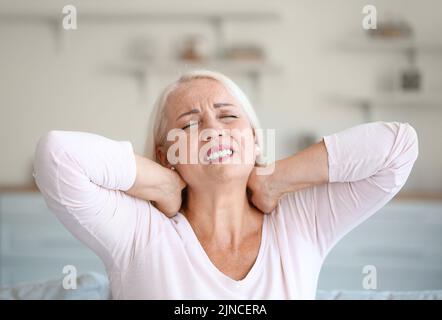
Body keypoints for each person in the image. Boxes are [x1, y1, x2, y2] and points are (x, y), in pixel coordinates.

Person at [33, 70, 419, 299]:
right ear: (166, 154)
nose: (213, 129)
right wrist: (165, 186)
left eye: (228, 115)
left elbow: (399, 147)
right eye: (188, 124)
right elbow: (58, 156)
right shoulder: (140, 233)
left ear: (253, 138)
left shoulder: (300, 222)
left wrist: (275, 180)